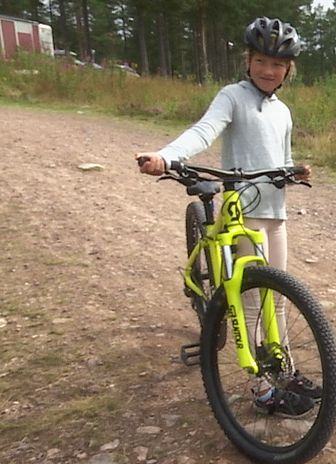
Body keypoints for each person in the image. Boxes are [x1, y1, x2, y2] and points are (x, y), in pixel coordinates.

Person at [135, 16, 319, 419]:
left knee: (280, 298)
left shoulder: (283, 111)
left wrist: (294, 170)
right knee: (252, 302)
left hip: (275, 214)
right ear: (248, 61)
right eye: (261, 62)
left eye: (278, 65)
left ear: (288, 70)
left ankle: (284, 370)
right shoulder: (232, 97)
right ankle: (261, 386)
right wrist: (166, 157)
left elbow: (281, 158)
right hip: (244, 213)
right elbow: (204, 131)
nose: (269, 71)